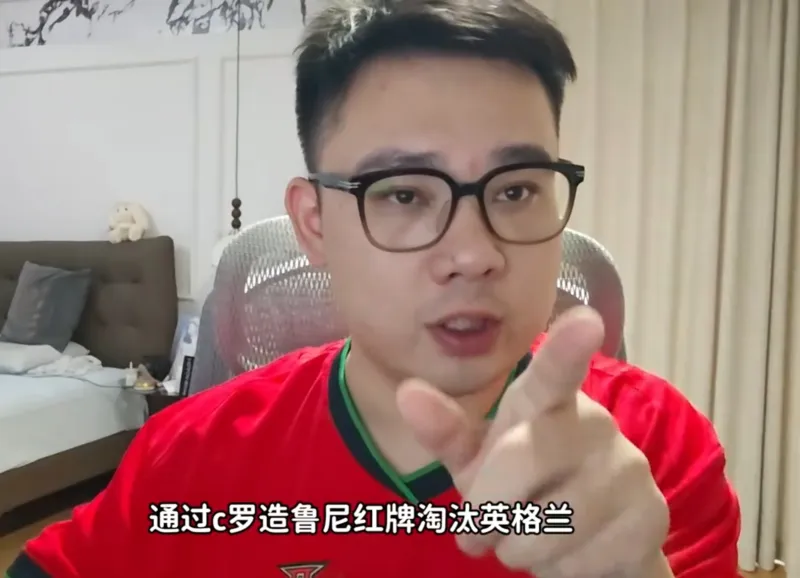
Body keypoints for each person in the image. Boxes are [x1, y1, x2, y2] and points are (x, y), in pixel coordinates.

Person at [6, 0, 741, 577]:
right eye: (404, 194)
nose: (474, 255)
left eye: (516, 190)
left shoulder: (651, 450)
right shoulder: (194, 458)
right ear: (314, 224)